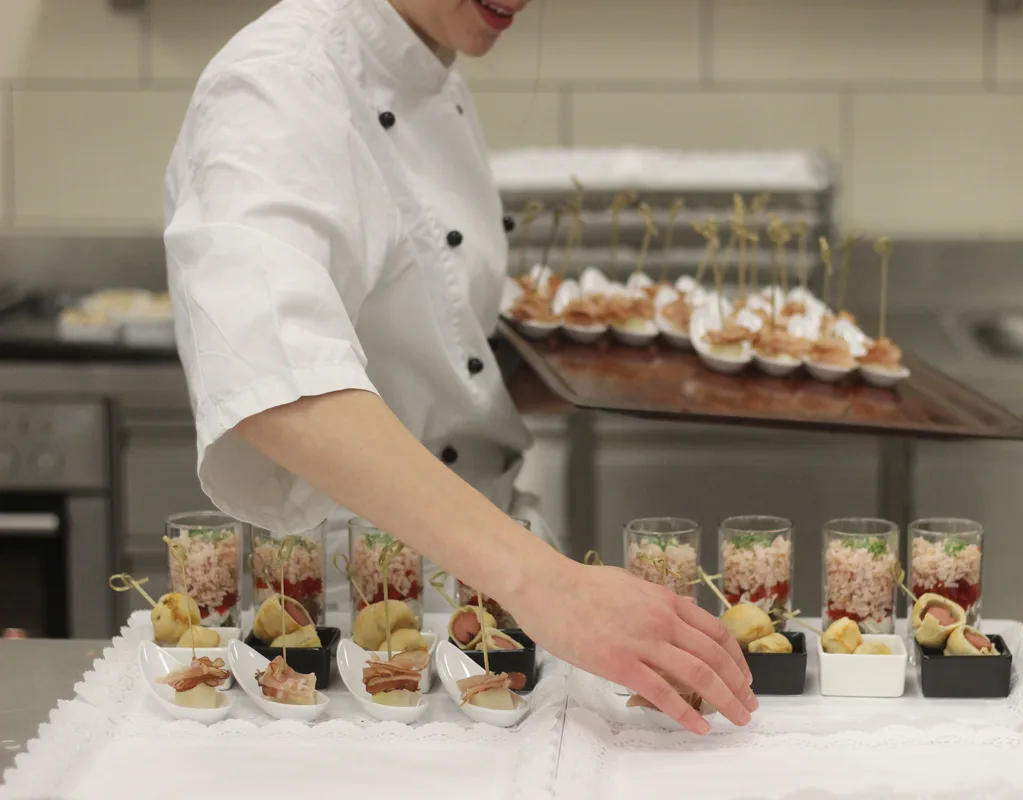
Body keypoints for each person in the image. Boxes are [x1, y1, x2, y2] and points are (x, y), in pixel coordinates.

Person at [162, 0, 756, 734]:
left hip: (476, 600)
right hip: (362, 628)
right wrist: (547, 584)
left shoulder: (427, 61)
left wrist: (620, 378)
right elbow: (273, 381)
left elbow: (431, 347)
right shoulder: (278, 84)